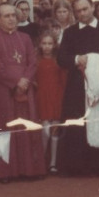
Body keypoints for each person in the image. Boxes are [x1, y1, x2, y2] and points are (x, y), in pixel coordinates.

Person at [0, 4, 45, 181]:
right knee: (3, 127)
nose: (11, 19)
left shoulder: (25, 38)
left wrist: (25, 80)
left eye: (13, 16)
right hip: (2, 91)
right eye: (6, 16)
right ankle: (4, 172)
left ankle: (29, 170)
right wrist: (16, 82)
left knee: (25, 126)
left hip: (25, 89)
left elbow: (32, 62)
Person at [56, 0, 99, 176]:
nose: (82, 13)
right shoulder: (70, 32)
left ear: (92, 7)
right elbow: (61, 59)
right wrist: (75, 59)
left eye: (85, 9)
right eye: (78, 11)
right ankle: (77, 167)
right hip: (78, 88)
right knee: (77, 126)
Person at [35, 31, 66, 175]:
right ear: (40, 45)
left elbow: (63, 81)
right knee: (44, 130)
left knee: (54, 130)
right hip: (42, 97)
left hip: (56, 96)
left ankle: (53, 163)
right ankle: (41, 162)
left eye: (50, 44)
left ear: (54, 45)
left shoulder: (58, 60)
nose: (47, 47)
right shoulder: (36, 60)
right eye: (44, 44)